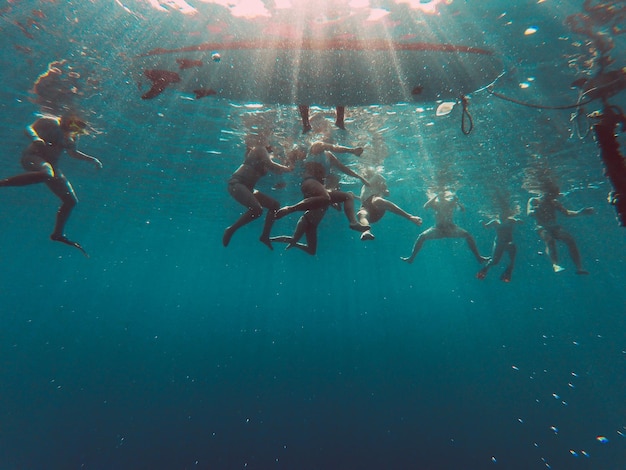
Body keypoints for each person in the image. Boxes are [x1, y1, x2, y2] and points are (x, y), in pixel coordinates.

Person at [0, 114, 102, 255]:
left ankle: (58, 234)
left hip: (52, 166)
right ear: (68, 119)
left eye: (77, 130)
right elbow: (28, 128)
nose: (74, 130)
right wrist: (35, 138)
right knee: (47, 173)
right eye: (74, 126)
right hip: (32, 157)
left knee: (71, 201)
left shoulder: (71, 135)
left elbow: (73, 153)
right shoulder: (50, 121)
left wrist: (93, 159)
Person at [274, 141, 370, 233]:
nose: (330, 143)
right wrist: (352, 150)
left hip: (320, 188)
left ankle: (353, 222)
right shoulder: (316, 146)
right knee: (325, 197)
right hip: (309, 182)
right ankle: (290, 209)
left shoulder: (329, 156)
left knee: (347, 196)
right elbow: (334, 147)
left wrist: (360, 177)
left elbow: (342, 168)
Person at [223, 145, 293, 250]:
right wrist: (288, 168)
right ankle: (231, 229)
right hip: (236, 184)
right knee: (257, 210)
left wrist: (288, 163)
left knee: (275, 205)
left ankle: (265, 236)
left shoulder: (266, 156)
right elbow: (271, 165)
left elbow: (276, 170)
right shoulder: (259, 148)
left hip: (248, 188)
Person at [401, 190, 489, 264]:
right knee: (422, 237)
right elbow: (425, 206)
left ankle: (478, 257)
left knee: (468, 235)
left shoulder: (450, 202)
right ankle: (411, 258)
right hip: (438, 229)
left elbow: (462, 209)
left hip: (451, 228)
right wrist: (435, 196)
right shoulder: (435, 203)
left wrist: (457, 202)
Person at [526, 183, 594, 274]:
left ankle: (579, 267)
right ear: (546, 193)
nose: (554, 197)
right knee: (549, 240)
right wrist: (534, 210)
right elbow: (529, 213)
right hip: (541, 227)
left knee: (570, 240)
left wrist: (580, 212)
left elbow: (566, 213)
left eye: (555, 195)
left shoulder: (554, 202)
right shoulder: (534, 200)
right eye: (553, 195)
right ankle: (555, 264)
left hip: (554, 227)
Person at [357, 173, 423, 241]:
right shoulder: (363, 187)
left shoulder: (378, 177)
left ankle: (410, 217)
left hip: (377, 207)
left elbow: (386, 192)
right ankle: (366, 231)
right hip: (369, 213)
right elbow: (363, 198)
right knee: (361, 213)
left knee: (377, 201)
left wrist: (384, 190)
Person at [476, 208, 524, 282]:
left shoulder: (511, 220)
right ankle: (485, 269)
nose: (502, 216)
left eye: (504, 214)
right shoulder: (495, 222)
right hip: (499, 243)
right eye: (501, 214)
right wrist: (483, 224)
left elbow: (517, 221)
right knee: (494, 261)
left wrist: (519, 221)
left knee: (512, 256)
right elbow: (487, 226)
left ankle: (508, 271)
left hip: (508, 243)